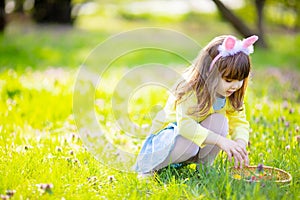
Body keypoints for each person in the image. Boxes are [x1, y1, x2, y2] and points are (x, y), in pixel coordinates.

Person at [134, 35, 259, 176]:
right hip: (166, 141)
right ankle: (149, 168)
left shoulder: (230, 94)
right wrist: (221, 141)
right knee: (191, 145)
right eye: (228, 80)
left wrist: (240, 143)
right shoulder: (191, 90)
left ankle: (204, 169)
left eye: (240, 80)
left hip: (191, 144)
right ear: (209, 73)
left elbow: (239, 122)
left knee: (220, 121)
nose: (235, 86)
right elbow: (185, 127)